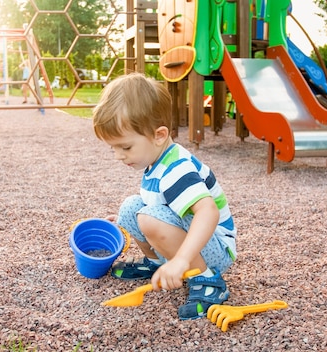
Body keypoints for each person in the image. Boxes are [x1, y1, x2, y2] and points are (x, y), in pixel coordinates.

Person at [92, 73, 237, 320]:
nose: (118, 156)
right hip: (192, 239)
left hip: (214, 249)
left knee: (148, 218)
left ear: (159, 135)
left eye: (125, 147)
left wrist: (181, 260)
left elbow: (208, 212)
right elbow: (156, 204)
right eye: (113, 148)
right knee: (130, 208)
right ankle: (156, 263)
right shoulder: (156, 159)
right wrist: (120, 221)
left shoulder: (176, 168)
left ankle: (207, 280)